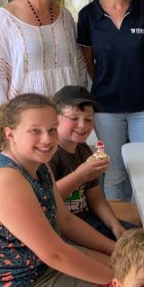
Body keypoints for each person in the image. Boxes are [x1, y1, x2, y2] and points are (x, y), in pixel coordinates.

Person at [0, 93, 120, 287]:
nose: (47, 139)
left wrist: (115, 249)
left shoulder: (38, 165)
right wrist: (116, 282)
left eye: (52, 130)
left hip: (42, 271)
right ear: (10, 133)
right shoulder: (5, 180)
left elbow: (64, 220)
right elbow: (54, 253)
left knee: (132, 270)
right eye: (35, 131)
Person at [77, 0, 144, 201]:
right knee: (114, 174)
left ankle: (143, 234)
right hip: (106, 108)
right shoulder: (88, 15)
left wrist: (132, 76)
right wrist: (110, 80)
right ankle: (120, 233)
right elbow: (89, 62)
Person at [49, 85, 136, 241]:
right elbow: (46, 199)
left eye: (88, 119)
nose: (82, 125)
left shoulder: (84, 151)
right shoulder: (49, 154)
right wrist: (80, 176)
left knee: (137, 236)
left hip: (87, 219)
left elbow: (95, 197)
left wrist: (115, 225)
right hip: (60, 231)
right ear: (55, 118)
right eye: (74, 118)